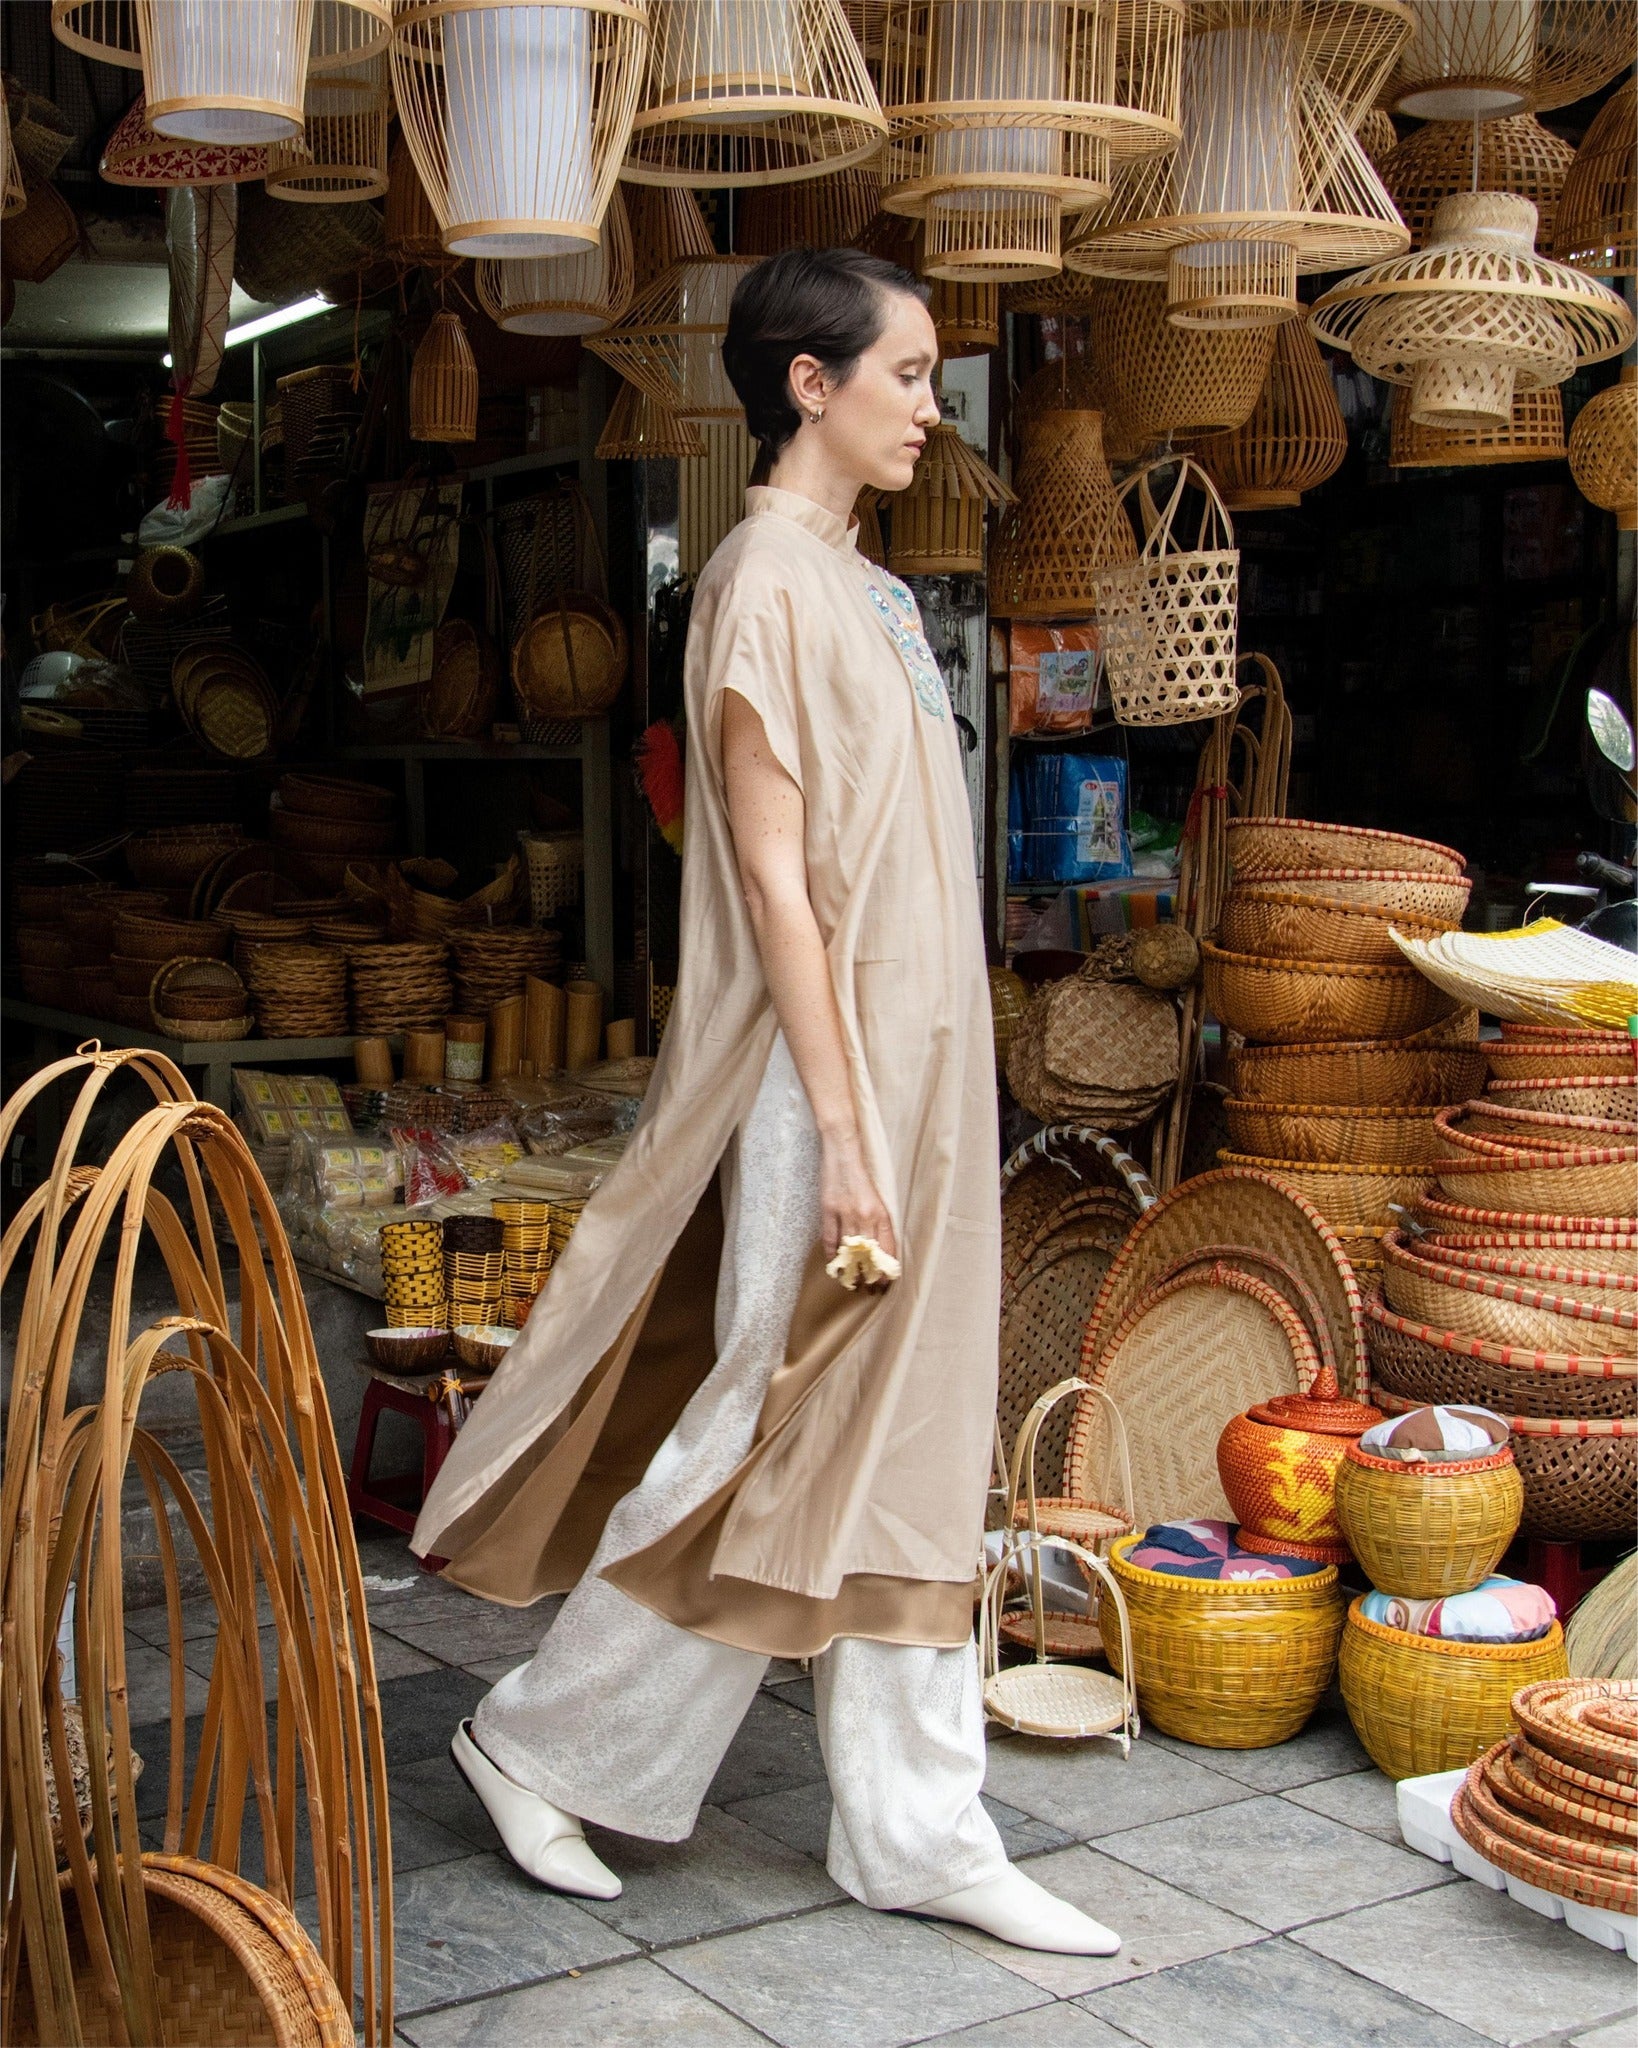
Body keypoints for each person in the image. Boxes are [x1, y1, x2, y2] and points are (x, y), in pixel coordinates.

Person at [410, 246, 1121, 1957]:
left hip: (917, 1073)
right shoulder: (758, 581)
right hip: (828, 1084)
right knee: (769, 1416)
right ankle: (539, 1740)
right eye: (906, 375)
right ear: (809, 383)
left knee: (906, 1433)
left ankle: (912, 1827)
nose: (930, 408)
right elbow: (775, 882)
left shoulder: (869, 585)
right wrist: (849, 1133)